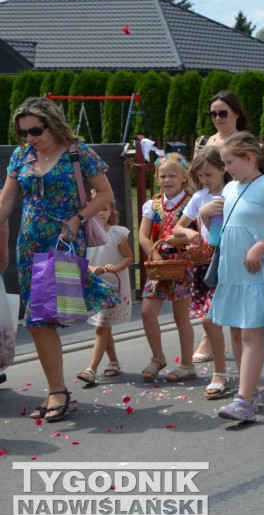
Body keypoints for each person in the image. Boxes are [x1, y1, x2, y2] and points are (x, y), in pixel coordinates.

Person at [0, 97, 120, 422]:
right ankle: (57, 389)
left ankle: (58, 391)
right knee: (37, 321)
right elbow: (5, 204)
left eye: (35, 130)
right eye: (23, 132)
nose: (30, 138)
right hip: (29, 246)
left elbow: (106, 194)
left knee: (43, 318)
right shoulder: (21, 156)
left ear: (52, 123)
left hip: (63, 243)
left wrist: (78, 219)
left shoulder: (77, 153)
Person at [209, 133, 264, 422]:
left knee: (250, 332)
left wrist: (258, 248)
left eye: (229, 162)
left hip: (255, 272)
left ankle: (244, 400)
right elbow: (220, 231)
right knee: (236, 330)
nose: (226, 168)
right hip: (234, 272)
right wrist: (204, 214)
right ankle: (249, 390)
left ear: (249, 158)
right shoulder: (232, 188)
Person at [172, 148, 240, 399]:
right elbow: (180, 228)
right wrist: (194, 228)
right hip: (207, 264)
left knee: (227, 323)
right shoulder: (200, 197)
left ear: (223, 168)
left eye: (209, 174)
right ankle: (221, 373)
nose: (205, 180)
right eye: (200, 176)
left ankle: (233, 375)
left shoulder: (234, 192)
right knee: (210, 319)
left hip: (231, 261)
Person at [192, 89, 249, 364]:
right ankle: (209, 335)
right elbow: (195, 173)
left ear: (236, 113)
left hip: (235, 209)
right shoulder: (204, 141)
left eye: (222, 112)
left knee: (229, 278)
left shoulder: (245, 142)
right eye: (213, 113)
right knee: (211, 276)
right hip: (209, 211)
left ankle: (236, 335)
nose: (217, 118)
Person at [138, 153, 195, 383]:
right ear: (157, 178)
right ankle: (158, 357)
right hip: (159, 263)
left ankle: (187, 364)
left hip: (182, 264)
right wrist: (154, 253)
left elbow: (197, 235)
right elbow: (143, 236)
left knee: (181, 315)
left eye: (172, 175)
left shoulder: (192, 203)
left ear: (183, 177)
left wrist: (179, 242)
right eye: (163, 176)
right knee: (147, 312)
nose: (167, 180)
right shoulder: (151, 205)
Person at [75, 197, 133, 386]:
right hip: (95, 287)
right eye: (96, 209)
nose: (100, 213)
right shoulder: (83, 235)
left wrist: (116, 267)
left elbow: (129, 257)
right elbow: (80, 260)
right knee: (104, 326)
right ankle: (114, 362)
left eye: (105, 209)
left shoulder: (117, 233)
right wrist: (92, 270)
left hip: (114, 288)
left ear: (111, 212)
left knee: (101, 327)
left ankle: (91, 369)